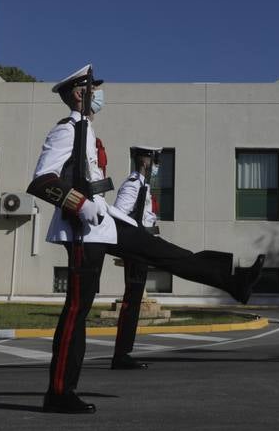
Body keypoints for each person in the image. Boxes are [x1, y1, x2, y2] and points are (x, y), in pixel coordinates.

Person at [108, 145, 264, 370]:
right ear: (145, 161)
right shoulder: (132, 185)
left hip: (142, 248)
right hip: (139, 246)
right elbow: (120, 217)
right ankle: (236, 282)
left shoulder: (144, 186)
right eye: (156, 160)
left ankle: (121, 355)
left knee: (132, 302)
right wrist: (137, 240)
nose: (158, 166)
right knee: (184, 259)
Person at [25, 64, 117, 414]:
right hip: (79, 230)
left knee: (81, 310)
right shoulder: (68, 131)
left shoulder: (87, 130)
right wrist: (79, 206)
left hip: (95, 229)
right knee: (76, 311)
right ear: (80, 93)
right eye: (95, 88)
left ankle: (64, 389)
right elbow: (42, 181)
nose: (101, 94)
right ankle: (60, 392)